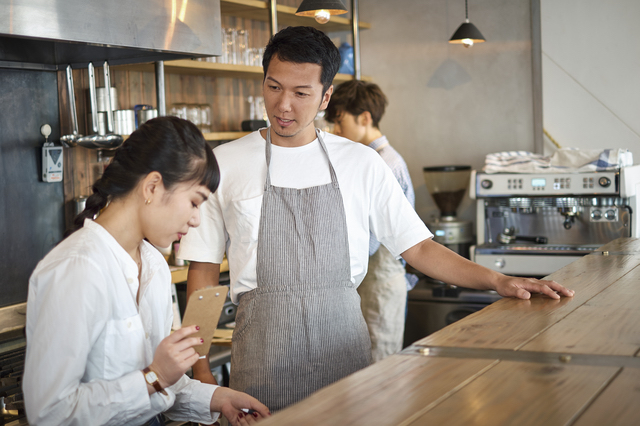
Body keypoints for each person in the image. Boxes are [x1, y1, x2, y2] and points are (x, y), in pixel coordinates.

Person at [179, 26, 574, 412]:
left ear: (325, 97)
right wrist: (202, 377)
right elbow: (204, 273)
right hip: (260, 368)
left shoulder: (360, 163)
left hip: (346, 364)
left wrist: (498, 280)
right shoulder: (223, 164)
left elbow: (418, 247)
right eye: (274, 87)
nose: (284, 105)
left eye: (301, 93)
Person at [23, 117, 270, 426]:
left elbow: (161, 384)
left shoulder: (154, 266)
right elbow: (50, 413)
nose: (196, 220)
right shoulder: (76, 269)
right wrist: (153, 377)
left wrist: (219, 399)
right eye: (194, 203)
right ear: (152, 187)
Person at [325, 80, 417, 362]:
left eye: (339, 122)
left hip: (380, 281)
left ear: (364, 118)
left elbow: (371, 241)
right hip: (373, 280)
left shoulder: (384, 163)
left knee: (381, 371)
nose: (335, 131)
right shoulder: (371, 159)